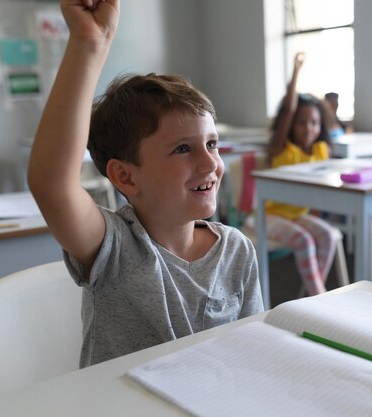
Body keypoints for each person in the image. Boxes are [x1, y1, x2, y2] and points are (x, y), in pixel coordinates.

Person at [27, 0, 263, 367]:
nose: (210, 163)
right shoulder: (115, 248)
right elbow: (52, 184)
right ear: (125, 176)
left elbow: (250, 351)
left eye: (211, 144)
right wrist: (89, 43)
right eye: (183, 149)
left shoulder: (236, 250)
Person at [266, 52, 341, 296]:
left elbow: (322, 190)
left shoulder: (321, 149)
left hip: (296, 216)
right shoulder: (281, 148)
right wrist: (296, 71)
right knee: (305, 240)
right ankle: (319, 297)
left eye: (314, 123)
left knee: (329, 235)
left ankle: (311, 295)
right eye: (301, 122)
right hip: (266, 218)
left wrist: (316, 212)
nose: (308, 128)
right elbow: (289, 110)